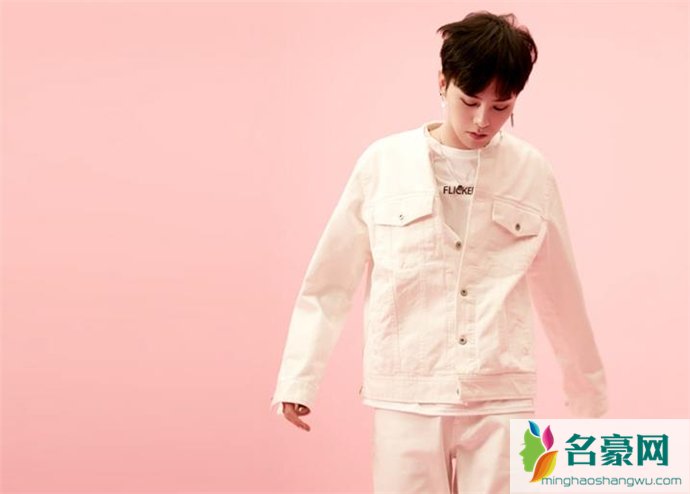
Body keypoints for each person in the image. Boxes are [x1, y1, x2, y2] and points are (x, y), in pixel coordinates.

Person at [270, 10, 608, 494]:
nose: (482, 121)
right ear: (442, 83)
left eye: (501, 106)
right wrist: (298, 379)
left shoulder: (532, 173)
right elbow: (329, 281)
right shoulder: (383, 165)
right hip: (406, 393)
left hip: (499, 396)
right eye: (469, 101)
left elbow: (561, 292)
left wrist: (588, 400)